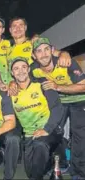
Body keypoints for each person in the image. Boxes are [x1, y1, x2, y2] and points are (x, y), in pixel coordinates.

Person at [31, 37, 85, 179]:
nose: (43, 54)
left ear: (53, 50)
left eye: (46, 49)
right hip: (59, 103)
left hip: (79, 100)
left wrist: (58, 87)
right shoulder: (34, 70)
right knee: (53, 131)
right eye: (39, 51)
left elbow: (84, 86)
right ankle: (59, 163)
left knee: (79, 135)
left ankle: (78, 172)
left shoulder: (66, 62)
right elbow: (21, 78)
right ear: (33, 55)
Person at [10, 57, 64, 179]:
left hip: (50, 129)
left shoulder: (42, 84)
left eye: (24, 67)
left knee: (40, 145)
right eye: (16, 69)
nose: (21, 71)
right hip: (29, 134)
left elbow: (57, 108)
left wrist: (46, 129)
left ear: (28, 69)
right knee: (31, 172)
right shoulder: (11, 92)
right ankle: (51, 159)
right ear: (12, 73)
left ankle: (54, 149)